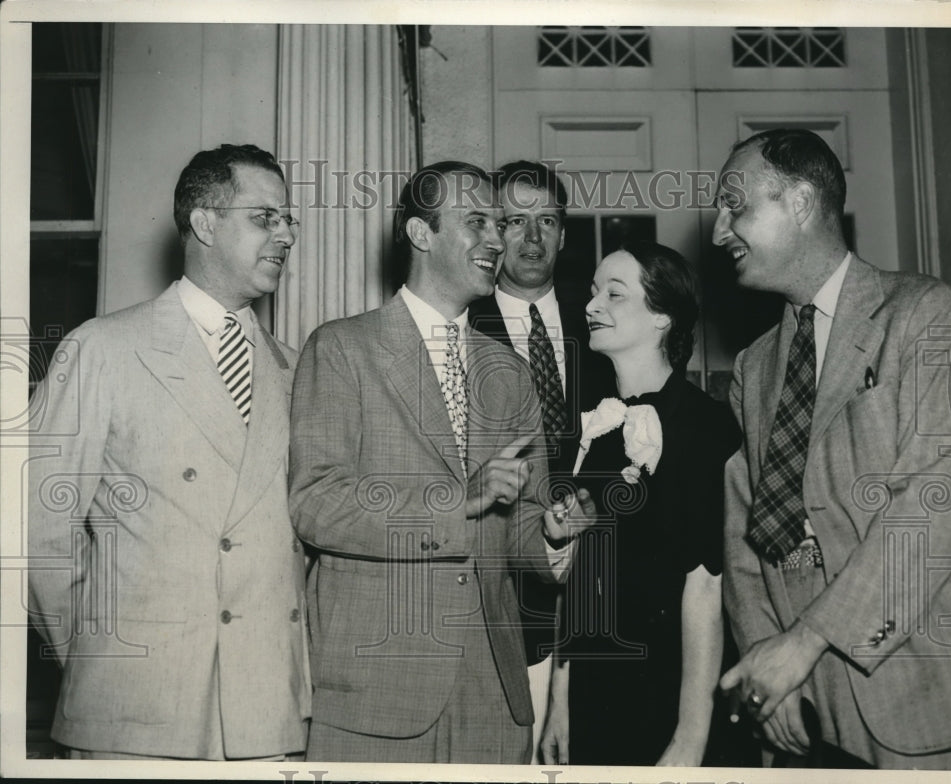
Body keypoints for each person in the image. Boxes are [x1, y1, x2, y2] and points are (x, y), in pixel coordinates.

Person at [288, 160, 594, 764]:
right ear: (420, 234)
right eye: (477, 221)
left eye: (499, 224)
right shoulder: (343, 347)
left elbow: (524, 527)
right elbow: (315, 504)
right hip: (377, 690)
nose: (499, 240)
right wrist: (461, 501)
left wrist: (554, 537)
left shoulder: (508, 372)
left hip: (493, 693)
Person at [27, 144, 310, 759]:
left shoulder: (294, 370)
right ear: (205, 222)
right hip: (135, 709)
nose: (286, 234)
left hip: (265, 716)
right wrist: (98, 663)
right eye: (265, 218)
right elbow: (41, 532)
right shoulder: (103, 348)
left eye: (289, 219)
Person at [714, 128, 951, 768]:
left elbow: (938, 505)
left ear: (800, 202)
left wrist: (802, 644)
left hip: (917, 700)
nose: (720, 231)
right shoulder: (754, 366)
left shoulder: (925, 315)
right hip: (802, 710)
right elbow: (746, 534)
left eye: (734, 205)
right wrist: (766, 664)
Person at [539, 240, 742, 766]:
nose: (592, 306)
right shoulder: (598, 429)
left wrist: (692, 736)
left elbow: (707, 584)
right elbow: (580, 575)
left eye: (615, 294)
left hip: (670, 694)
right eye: (592, 292)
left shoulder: (705, 427)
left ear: (662, 318)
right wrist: (560, 702)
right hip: (596, 693)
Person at [468, 160, 613, 762]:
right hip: (499, 598)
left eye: (546, 221)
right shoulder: (457, 324)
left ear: (564, 234)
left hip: (602, 595)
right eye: (514, 221)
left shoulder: (607, 320)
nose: (531, 239)